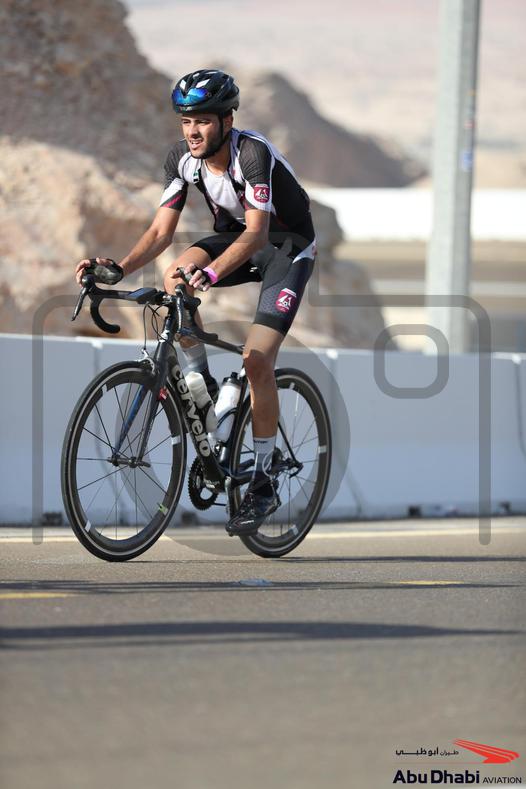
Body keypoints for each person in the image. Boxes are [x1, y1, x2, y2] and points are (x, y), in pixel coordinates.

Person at [75, 68, 316, 535]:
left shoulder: (252, 153)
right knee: (174, 277)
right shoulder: (182, 160)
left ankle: (263, 480)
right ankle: (200, 381)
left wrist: (211, 273)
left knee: (257, 360)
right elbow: (161, 232)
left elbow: (258, 233)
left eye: (203, 120)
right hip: (236, 240)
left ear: (227, 120)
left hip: (286, 248)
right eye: (186, 121)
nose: (192, 131)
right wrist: (120, 268)